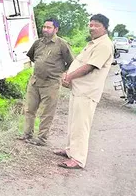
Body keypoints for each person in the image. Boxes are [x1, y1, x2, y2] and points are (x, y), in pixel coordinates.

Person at [55, 14, 114, 169]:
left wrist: (69, 77)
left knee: (81, 125)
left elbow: (90, 66)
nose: (92, 28)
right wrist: (68, 75)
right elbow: (80, 62)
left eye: (96, 25)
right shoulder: (93, 43)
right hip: (78, 89)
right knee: (73, 123)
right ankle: (70, 151)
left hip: (87, 92)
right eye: (91, 24)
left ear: (105, 28)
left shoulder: (104, 45)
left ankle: (78, 159)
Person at [18, 18, 74, 146]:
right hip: (35, 81)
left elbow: (71, 62)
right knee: (29, 109)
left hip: (51, 83)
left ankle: (42, 139)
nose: (45, 29)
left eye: (48, 27)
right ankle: (27, 134)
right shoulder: (38, 43)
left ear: (56, 29)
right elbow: (32, 57)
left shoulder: (62, 44)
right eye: (44, 27)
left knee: (46, 113)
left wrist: (61, 72)